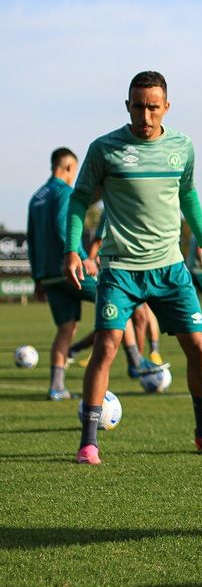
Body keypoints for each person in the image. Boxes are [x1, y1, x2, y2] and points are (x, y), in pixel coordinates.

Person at [64, 70, 202, 465]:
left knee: (197, 346)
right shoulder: (105, 149)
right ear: (128, 106)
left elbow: (188, 194)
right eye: (138, 106)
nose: (145, 116)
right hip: (119, 268)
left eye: (153, 107)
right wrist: (74, 250)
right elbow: (79, 201)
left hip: (170, 268)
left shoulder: (182, 147)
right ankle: (89, 442)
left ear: (166, 107)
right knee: (106, 347)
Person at [27, 147, 97, 400]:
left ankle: (56, 387)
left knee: (66, 328)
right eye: (74, 171)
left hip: (48, 275)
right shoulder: (66, 193)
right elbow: (62, 227)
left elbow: (32, 240)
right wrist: (82, 257)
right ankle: (136, 363)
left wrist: (37, 279)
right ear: (68, 167)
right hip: (70, 269)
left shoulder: (36, 197)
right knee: (118, 304)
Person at [89, 214, 166, 375]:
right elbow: (97, 240)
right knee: (118, 324)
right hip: (117, 272)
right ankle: (135, 361)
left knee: (141, 317)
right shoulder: (109, 210)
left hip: (137, 271)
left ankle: (137, 361)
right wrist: (90, 260)